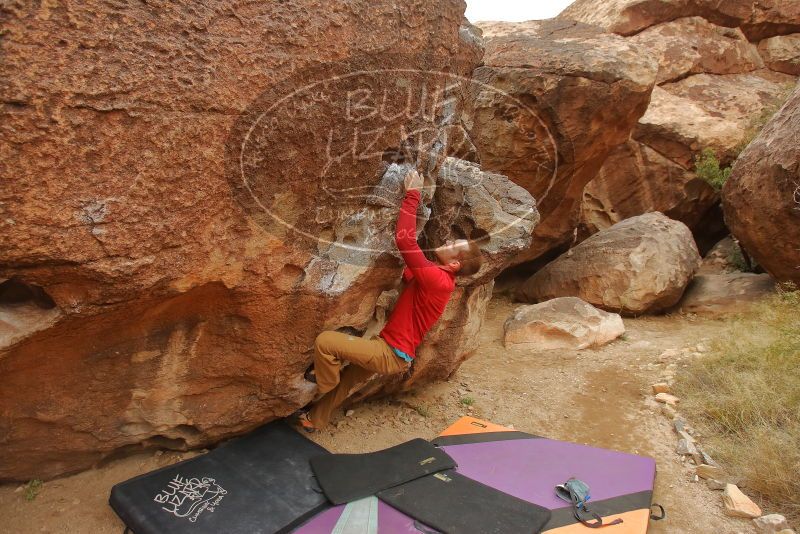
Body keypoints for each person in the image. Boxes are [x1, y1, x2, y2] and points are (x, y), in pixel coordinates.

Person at [295, 169, 483, 432]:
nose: (449, 241)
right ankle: (314, 420)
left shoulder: (439, 281)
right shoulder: (437, 277)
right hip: (391, 351)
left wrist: (413, 196)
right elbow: (407, 270)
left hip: (389, 354)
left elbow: (405, 242)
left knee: (326, 342)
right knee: (348, 381)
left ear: (454, 264)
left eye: (454, 245)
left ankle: (325, 380)